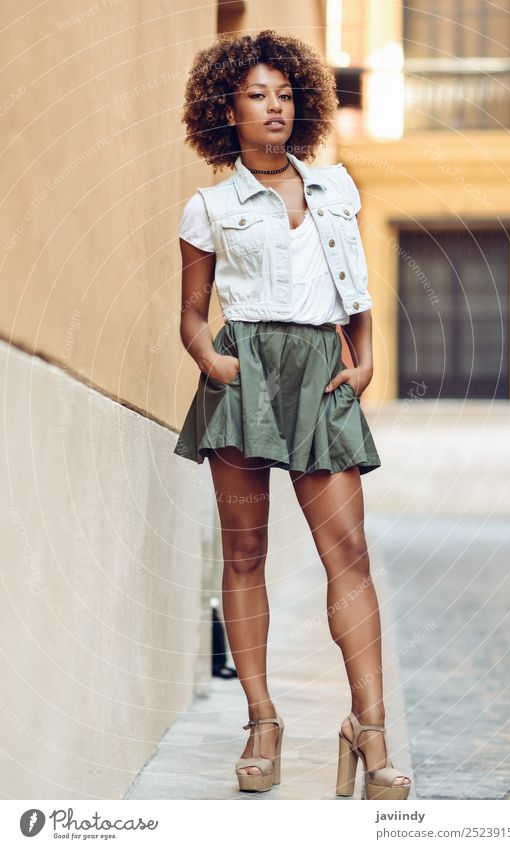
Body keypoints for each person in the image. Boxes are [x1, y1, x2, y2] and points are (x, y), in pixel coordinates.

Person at [174, 29, 411, 799]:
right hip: (245, 372)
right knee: (245, 553)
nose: (274, 107)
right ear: (227, 111)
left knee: (350, 550)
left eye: (284, 94)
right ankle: (262, 720)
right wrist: (215, 364)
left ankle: (369, 730)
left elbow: (358, 286)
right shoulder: (208, 205)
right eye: (256, 96)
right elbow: (192, 315)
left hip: (321, 370)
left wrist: (365, 354)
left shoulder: (338, 187)